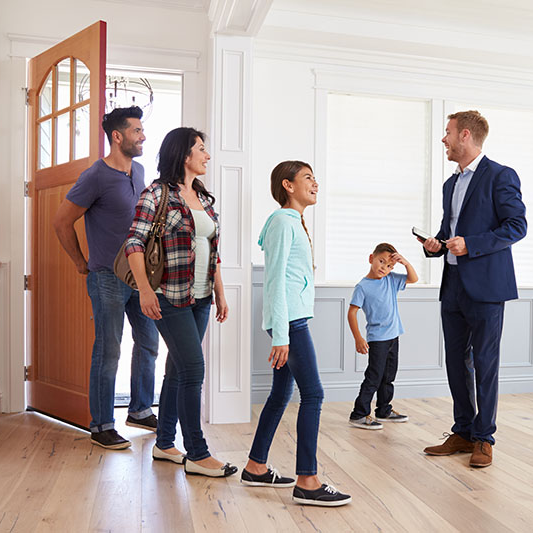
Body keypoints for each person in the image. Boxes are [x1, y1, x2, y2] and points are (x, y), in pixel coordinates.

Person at [124, 127, 236, 478]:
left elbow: (211, 250)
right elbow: (134, 244)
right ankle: (198, 453)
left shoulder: (202, 196)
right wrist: (144, 290)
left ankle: (164, 443)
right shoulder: (157, 193)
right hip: (169, 297)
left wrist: (219, 290)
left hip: (201, 296)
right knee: (193, 369)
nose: (207, 155)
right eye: (202, 149)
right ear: (184, 154)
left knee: (176, 369)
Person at [241, 161, 351, 507]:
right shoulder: (281, 223)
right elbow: (274, 280)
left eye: (315, 177)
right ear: (288, 185)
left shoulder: (292, 223)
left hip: (291, 321)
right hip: (291, 324)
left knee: (279, 395)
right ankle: (307, 479)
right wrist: (281, 335)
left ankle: (255, 465)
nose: (315, 183)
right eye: (307, 178)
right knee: (314, 395)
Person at [420, 110, 527, 468]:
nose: (443, 139)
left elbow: (517, 226)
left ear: (465, 135)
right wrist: (434, 244)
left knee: (485, 363)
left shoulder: (500, 176)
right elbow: (449, 229)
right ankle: (463, 431)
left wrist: (472, 244)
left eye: (447, 133)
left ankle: (484, 438)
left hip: (486, 287)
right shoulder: (450, 184)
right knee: (455, 362)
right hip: (452, 286)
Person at [53, 106, 159, 450]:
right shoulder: (95, 176)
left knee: (149, 344)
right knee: (109, 350)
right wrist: (80, 262)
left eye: (142, 131)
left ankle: (141, 409)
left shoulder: (140, 171)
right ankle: (101, 425)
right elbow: (61, 222)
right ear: (117, 136)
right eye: (136, 131)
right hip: (107, 277)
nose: (142, 136)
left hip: (140, 278)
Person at [348, 243, 418, 430]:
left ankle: (384, 410)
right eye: (381, 262)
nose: (384, 268)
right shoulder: (362, 287)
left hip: (394, 336)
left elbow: (414, 278)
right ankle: (359, 414)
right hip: (377, 338)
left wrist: (405, 262)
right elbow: (352, 312)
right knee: (374, 376)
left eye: (389, 266)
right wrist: (358, 338)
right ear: (371, 258)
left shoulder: (391, 279)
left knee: (388, 376)